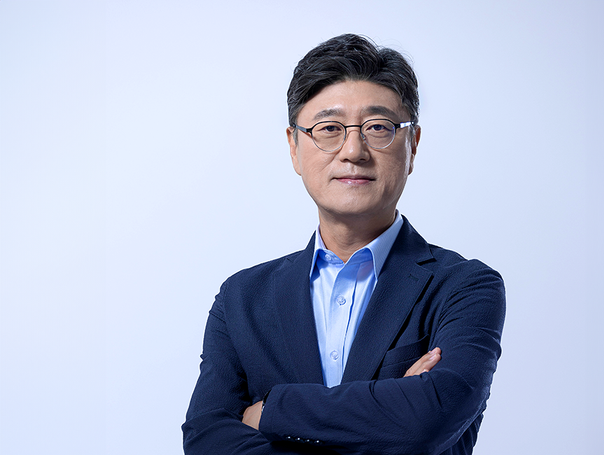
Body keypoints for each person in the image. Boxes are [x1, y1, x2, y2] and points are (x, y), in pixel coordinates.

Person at [182, 34, 506, 455]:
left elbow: (430, 420)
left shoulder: (465, 287)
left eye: (378, 128)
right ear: (294, 147)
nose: (353, 151)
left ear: (412, 145)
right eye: (330, 129)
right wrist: (389, 412)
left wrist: (272, 411)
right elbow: (207, 440)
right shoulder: (242, 298)